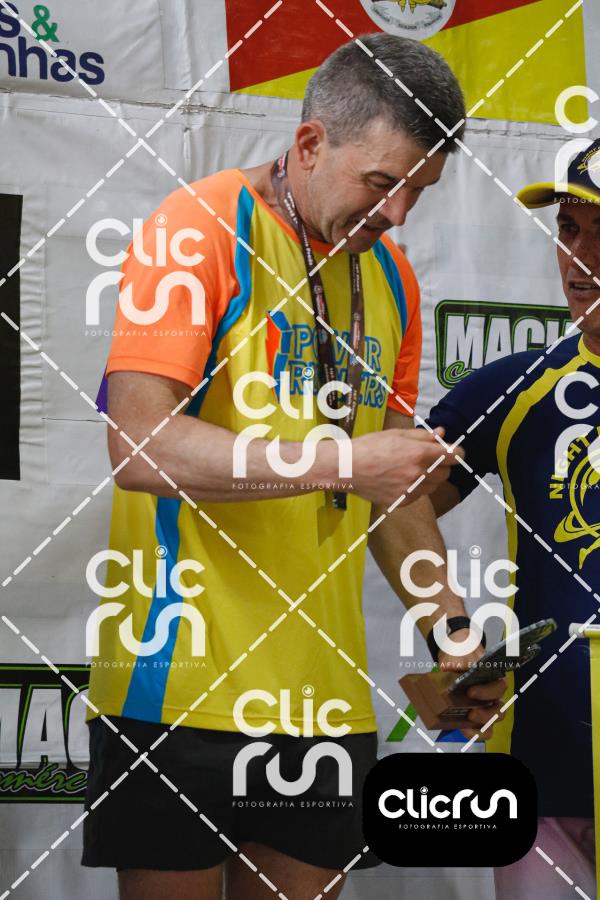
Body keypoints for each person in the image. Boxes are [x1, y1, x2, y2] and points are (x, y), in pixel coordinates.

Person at [82, 34, 504, 900]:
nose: (397, 214)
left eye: (419, 192)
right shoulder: (199, 226)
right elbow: (141, 447)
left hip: (325, 698)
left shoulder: (391, 276)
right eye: (381, 183)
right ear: (310, 143)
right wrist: (344, 461)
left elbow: (394, 492)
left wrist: (453, 636)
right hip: (179, 687)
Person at [426, 139, 600, 899]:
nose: (581, 259)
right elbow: (396, 502)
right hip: (546, 766)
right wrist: (449, 631)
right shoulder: (517, 387)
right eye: (569, 229)